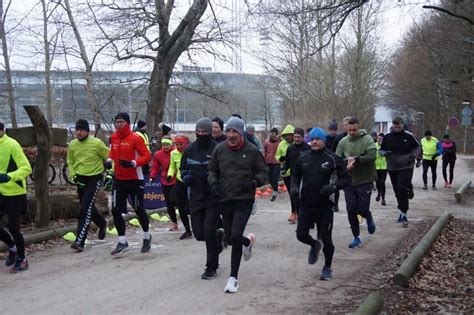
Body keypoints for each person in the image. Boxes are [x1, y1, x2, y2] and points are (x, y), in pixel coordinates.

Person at [208, 116, 268, 293]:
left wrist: (253, 183)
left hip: (244, 199)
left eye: (235, 131)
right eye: (229, 131)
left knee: (235, 234)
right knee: (231, 237)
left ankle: (233, 278)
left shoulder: (251, 150)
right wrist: (213, 183)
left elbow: (263, 171)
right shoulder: (219, 150)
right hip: (225, 199)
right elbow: (212, 170)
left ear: (241, 132)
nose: (231, 135)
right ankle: (247, 242)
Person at [291, 128, 351, 280]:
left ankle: (327, 267)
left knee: (326, 238)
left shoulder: (332, 158)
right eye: (313, 139)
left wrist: (334, 186)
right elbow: (295, 176)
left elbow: (346, 178)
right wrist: (294, 187)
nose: (315, 141)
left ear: (324, 140)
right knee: (301, 235)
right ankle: (314, 245)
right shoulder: (303, 157)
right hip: (305, 204)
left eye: (318, 139)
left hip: (325, 205)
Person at [181, 118, 225, 280]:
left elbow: (224, 170)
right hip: (195, 196)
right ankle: (218, 238)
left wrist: (217, 183)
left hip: (212, 197)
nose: (200, 135)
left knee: (208, 231)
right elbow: (183, 167)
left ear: (209, 133)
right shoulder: (189, 150)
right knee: (199, 234)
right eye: (198, 132)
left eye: (203, 132)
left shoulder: (218, 149)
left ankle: (211, 267)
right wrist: (186, 177)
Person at [107, 112, 152, 256]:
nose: (119, 124)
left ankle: (147, 236)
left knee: (138, 209)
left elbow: (147, 156)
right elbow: (112, 154)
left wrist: (133, 163)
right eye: (117, 122)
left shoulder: (135, 138)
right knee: (115, 210)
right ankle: (122, 241)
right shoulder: (113, 137)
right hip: (119, 179)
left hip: (135, 179)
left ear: (128, 123)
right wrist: (108, 161)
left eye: (122, 122)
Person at [67, 119, 109, 252]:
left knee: (85, 209)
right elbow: (70, 161)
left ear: (87, 131)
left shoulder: (96, 143)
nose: (78, 132)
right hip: (80, 179)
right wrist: (73, 175)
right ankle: (102, 223)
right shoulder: (73, 144)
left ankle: (80, 241)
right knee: (88, 207)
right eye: (77, 130)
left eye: (81, 130)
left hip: (94, 179)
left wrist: (110, 172)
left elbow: (109, 157)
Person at [336, 117, 377, 248]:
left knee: (362, 209)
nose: (352, 132)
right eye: (350, 130)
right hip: (349, 181)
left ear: (359, 127)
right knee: (351, 209)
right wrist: (345, 163)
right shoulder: (343, 141)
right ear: (346, 128)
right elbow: (337, 158)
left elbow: (372, 156)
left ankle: (368, 217)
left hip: (365, 179)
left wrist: (357, 160)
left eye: (354, 130)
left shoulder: (367, 139)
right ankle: (356, 237)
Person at [0, 122, 32, 272]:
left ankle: (22, 258)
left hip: (15, 193)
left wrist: (9, 177)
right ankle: (12, 248)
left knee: (13, 227)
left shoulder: (12, 145)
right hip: (1, 193)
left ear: (2, 130)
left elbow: (26, 168)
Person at [380, 116, 421, 227]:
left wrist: (413, 156)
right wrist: (384, 153)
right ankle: (402, 210)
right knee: (397, 190)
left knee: (401, 189)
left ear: (402, 125)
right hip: (392, 166)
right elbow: (381, 150)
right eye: (395, 126)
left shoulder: (409, 136)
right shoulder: (387, 137)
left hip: (406, 165)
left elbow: (418, 147)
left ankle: (404, 215)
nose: (397, 128)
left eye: (399, 126)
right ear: (392, 126)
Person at [149, 136, 180, 231]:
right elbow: (155, 167)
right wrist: (152, 176)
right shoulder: (158, 154)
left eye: (167, 145)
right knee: (169, 203)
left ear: (171, 144)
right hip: (165, 180)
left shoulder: (176, 152)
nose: (166, 147)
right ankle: (174, 222)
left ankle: (187, 218)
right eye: (164, 145)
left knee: (176, 201)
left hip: (176, 179)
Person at [167, 135, 193, 240]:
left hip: (191, 181)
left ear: (185, 144)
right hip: (179, 181)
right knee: (180, 206)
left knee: (192, 206)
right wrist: (170, 175)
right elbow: (172, 166)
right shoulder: (173, 153)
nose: (179, 146)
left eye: (181, 144)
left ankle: (199, 226)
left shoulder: (191, 152)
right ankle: (187, 230)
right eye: (176, 144)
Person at [286, 127, 310, 215]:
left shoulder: (308, 148)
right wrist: (285, 167)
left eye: (299, 137)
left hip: (306, 176)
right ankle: (297, 213)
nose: (296, 139)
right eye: (295, 137)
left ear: (303, 137)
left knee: (305, 196)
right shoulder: (290, 148)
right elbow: (287, 161)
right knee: (294, 194)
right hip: (294, 175)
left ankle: (308, 216)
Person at [275, 124, 296, 223]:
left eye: (290, 135)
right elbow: (277, 155)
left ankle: (297, 212)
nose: (288, 137)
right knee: (291, 193)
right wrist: (280, 158)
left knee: (296, 193)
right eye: (286, 135)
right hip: (286, 173)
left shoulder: (297, 144)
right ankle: (293, 212)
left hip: (296, 172)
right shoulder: (281, 144)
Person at [326, 119, 340, 212]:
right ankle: (328, 202)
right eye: (331, 130)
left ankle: (336, 204)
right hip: (327, 165)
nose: (333, 132)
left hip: (336, 165)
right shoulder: (325, 139)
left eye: (335, 130)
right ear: (328, 130)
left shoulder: (339, 139)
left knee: (336, 185)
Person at [263, 127, 280, 201]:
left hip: (277, 162)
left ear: (276, 134)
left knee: (275, 178)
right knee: (270, 178)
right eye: (271, 133)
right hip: (269, 162)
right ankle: (275, 189)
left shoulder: (280, 142)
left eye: (274, 133)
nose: (272, 135)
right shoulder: (267, 142)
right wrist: (264, 159)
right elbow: (265, 151)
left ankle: (274, 193)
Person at [374, 133, 387, 206]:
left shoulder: (386, 146)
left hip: (384, 167)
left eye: (381, 139)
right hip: (376, 167)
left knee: (382, 182)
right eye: (378, 138)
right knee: (377, 182)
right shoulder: (374, 146)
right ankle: (379, 193)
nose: (379, 140)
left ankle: (383, 199)